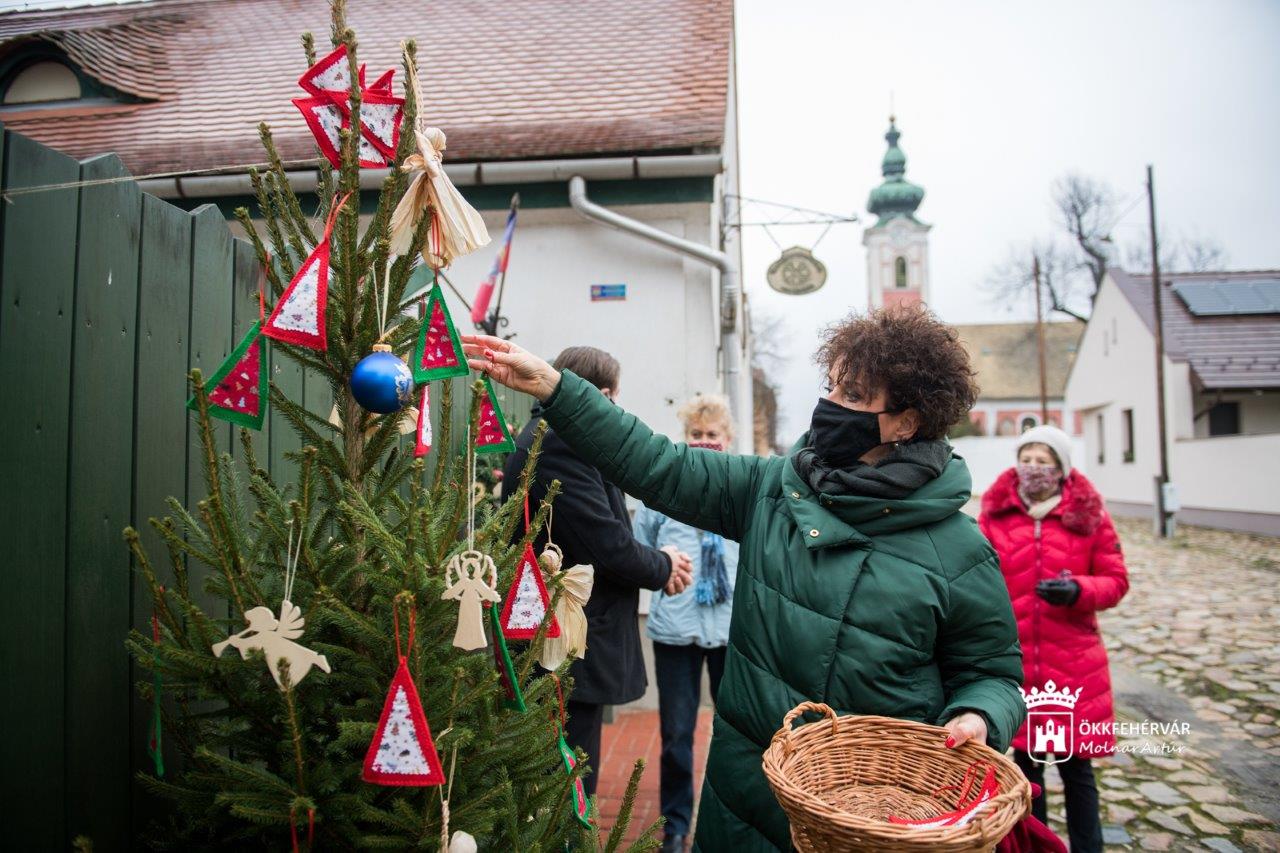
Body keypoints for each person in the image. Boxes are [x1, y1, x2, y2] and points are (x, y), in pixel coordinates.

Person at [466, 304, 1026, 851]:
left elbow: (993, 676)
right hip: (746, 802)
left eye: (853, 396)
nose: (829, 406)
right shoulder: (772, 489)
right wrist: (558, 390)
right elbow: (657, 463)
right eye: (831, 386)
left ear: (907, 421)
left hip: (877, 819)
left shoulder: (960, 551)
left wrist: (978, 716)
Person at [499, 345, 693, 802]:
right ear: (602, 396)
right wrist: (664, 564)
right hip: (564, 640)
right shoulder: (560, 446)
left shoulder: (549, 437)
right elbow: (606, 545)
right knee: (567, 777)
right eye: (615, 400)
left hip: (562, 635)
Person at [979, 425, 1129, 853]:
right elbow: (979, 580)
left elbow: (1116, 581)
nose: (1033, 469)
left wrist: (1079, 591)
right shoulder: (995, 514)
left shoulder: (1090, 516)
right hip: (1017, 661)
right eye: (1026, 459)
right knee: (1026, 773)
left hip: (1075, 665)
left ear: (1061, 469)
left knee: (1077, 771)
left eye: (1043, 462)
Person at [632, 394, 740, 853]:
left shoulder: (739, 491)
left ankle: (729, 822)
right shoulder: (664, 492)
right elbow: (641, 548)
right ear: (685, 438)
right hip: (675, 629)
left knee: (735, 733)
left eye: (712, 435)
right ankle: (676, 826)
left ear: (727, 440)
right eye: (696, 434)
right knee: (676, 734)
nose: (703, 442)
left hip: (731, 631)